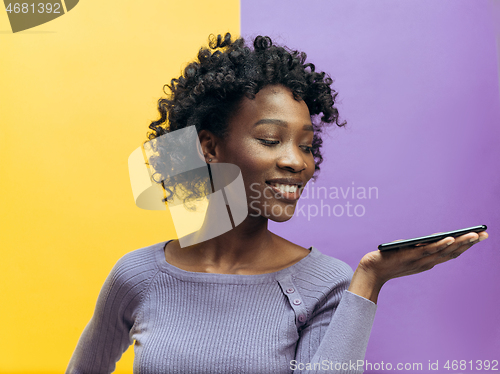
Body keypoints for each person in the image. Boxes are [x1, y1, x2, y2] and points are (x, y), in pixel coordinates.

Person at [66, 33, 488, 374]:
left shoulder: (326, 283)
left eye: (307, 146)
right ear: (209, 147)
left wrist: (368, 281)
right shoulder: (137, 276)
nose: (296, 161)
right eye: (270, 140)